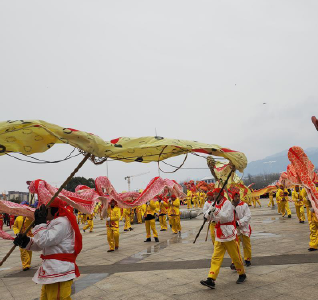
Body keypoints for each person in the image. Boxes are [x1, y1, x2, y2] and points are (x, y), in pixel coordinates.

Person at [14, 198, 82, 300]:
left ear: (51, 209)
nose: (43, 212)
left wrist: (39, 224)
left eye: (45, 209)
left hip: (59, 271)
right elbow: (42, 244)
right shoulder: (54, 222)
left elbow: (44, 240)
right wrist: (26, 241)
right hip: (52, 272)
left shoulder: (62, 222)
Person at [200, 188, 246, 289]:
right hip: (219, 234)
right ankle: (211, 278)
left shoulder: (227, 203)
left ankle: (242, 274)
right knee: (215, 257)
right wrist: (207, 215)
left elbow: (225, 217)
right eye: (214, 194)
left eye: (216, 194)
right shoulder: (214, 204)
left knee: (235, 256)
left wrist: (215, 211)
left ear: (221, 194)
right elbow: (209, 217)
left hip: (229, 233)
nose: (214, 196)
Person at [232, 192, 252, 267]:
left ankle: (247, 259)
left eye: (238, 196)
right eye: (236, 196)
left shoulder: (244, 205)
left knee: (246, 245)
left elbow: (248, 216)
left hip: (244, 228)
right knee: (235, 246)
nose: (237, 198)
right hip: (234, 229)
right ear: (233, 197)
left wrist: (239, 222)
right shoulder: (230, 206)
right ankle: (235, 261)